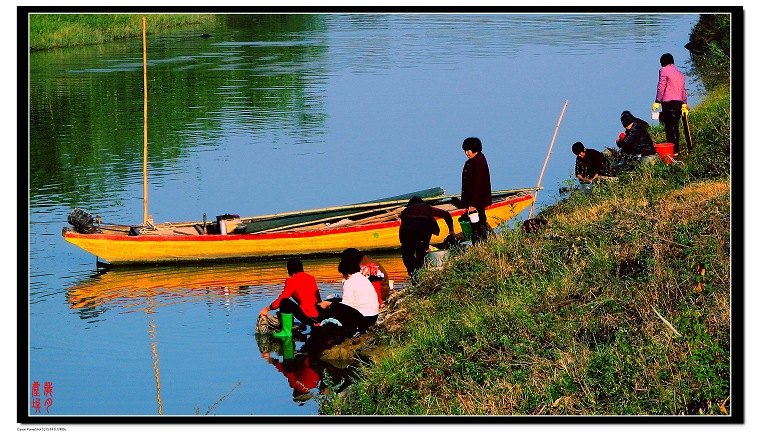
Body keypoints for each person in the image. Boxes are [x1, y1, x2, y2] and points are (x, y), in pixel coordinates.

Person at [259, 258, 322, 339]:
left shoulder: (291, 281)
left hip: (308, 316)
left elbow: (282, 298)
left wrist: (267, 309)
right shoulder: (311, 278)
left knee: (285, 302)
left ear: (289, 270)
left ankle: (286, 332)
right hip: (319, 314)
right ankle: (308, 325)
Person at [316, 259, 379, 337]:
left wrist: (328, 304)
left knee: (332, 305)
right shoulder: (364, 279)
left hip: (363, 318)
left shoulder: (349, 282)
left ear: (346, 273)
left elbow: (347, 305)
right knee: (335, 301)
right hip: (373, 316)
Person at [398, 196, 455, 279]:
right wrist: (451, 231)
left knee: (407, 254)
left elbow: (402, 228)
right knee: (421, 251)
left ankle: (414, 275)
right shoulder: (427, 207)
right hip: (425, 226)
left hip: (409, 228)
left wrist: (403, 243)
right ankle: (422, 273)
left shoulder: (405, 211)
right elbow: (447, 214)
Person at [653, 53, 688, 155]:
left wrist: (657, 101)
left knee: (669, 126)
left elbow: (661, 85)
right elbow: (683, 90)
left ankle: (672, 150)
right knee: (675, 125)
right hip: (679, 102)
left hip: (668, 103)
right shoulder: (680, 74)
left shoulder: (663, 70)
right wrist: (684, 104)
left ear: (663, 62)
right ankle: (676, 149)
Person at [460, 137, 492, 243]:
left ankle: (481, 245)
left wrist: (473, 204)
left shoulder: (479, 162)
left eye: (468, 150)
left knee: (479, 226)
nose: (466, 153)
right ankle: (478, 245)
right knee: (475, 226)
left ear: (474, 149)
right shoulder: (473, 161)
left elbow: (478, 184)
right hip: (472, 202)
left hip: (477, 202)